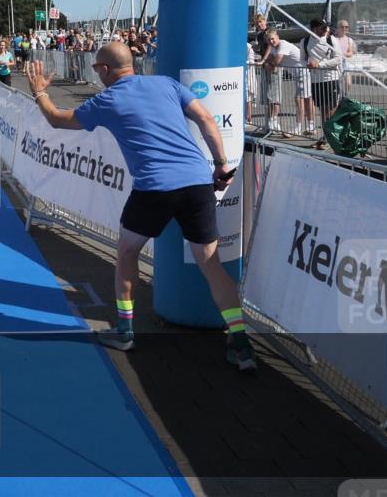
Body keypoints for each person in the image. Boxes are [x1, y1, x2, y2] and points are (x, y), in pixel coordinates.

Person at [26, 44, 256, 371]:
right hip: (196, 183)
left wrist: (39, 93)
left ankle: (125, 331)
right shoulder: (166, 84)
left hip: (154, 189)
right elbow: (206, 119)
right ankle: (241, 343)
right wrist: (220, 164)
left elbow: (58, 120)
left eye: (96, 68)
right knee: (212, 265)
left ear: (105, 69)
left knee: (126, 253)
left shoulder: (108, 99)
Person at [303, 19, 344, 138]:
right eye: (323, 28)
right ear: (314, 29)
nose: (326, 30)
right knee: (323, 110)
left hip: (331, 78)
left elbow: (338, 59)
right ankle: (327, 135)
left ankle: (332, 135)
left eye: (326, 27)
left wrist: (319, 64)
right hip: (316, 80)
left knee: (332, 109)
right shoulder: (304, 42)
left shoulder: (332, 40)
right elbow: (302, 59)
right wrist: (308, 63)